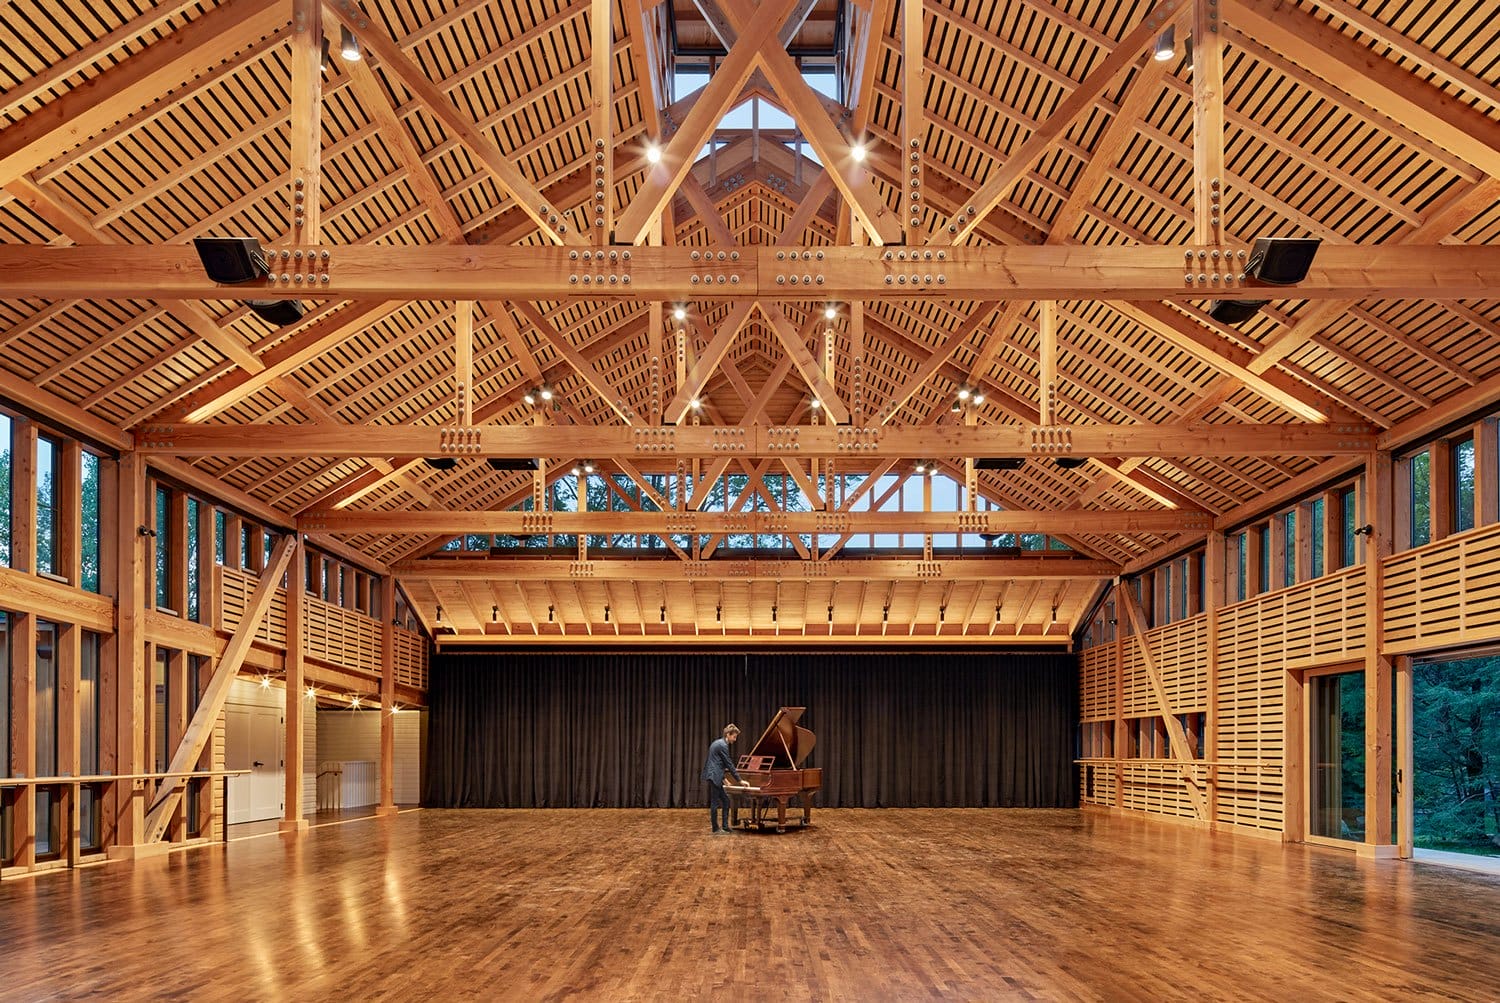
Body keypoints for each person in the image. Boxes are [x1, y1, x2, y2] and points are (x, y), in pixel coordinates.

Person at [701, 724, 742, 834]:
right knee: (715, 803)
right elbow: (728, 763)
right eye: (734, 737)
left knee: (726, 801)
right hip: (714, 776)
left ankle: (724, 826)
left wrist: (724, 779)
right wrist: (740, 780)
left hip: (714, 775)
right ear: (728, 735)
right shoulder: (723, 745)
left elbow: (717, 763)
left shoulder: (718, 743)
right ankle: (716, 829)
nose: (735, 739)